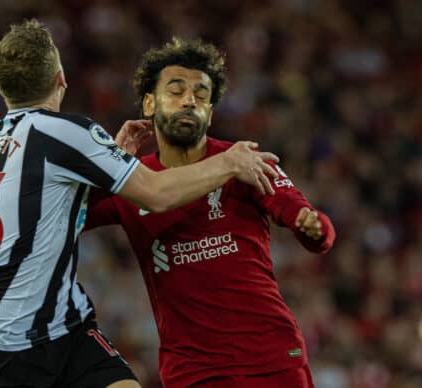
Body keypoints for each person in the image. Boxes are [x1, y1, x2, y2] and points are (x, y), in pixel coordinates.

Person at [0, 21, 281, 388]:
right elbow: (157, 194)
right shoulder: (64, 132)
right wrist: (229, 162)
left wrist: (109, 160)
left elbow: (51, 210)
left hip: (64, 327)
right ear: (61, 78)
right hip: (6, 342)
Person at [85, 38, 336, 388]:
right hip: (195, 371)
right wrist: (109, 163)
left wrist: (313, 226)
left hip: (272, 357)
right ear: (149, 103)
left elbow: (304, 218)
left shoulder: (241, 160)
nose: (190, 100)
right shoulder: (133, 181)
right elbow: (66, 216)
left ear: (211, 112)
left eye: (202, 95)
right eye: (176, 91)